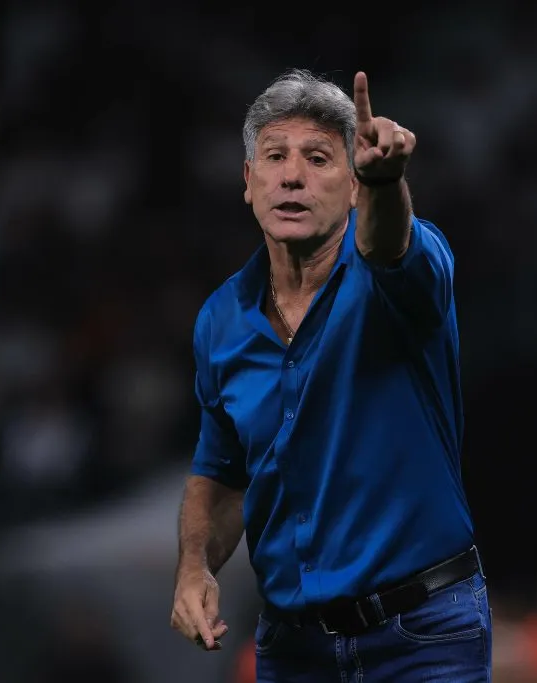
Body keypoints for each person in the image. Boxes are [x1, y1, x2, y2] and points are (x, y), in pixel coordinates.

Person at [171, 68, 491, 682]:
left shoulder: (401, 276)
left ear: (351, 185)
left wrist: (385, 181)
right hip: (294, 653)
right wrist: (193, 568)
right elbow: (221, 472)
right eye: (274, 157)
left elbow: (388, 242)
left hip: (423, 636)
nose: (292, 175)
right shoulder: (220, 320)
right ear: (248, 181)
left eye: (319, 158)